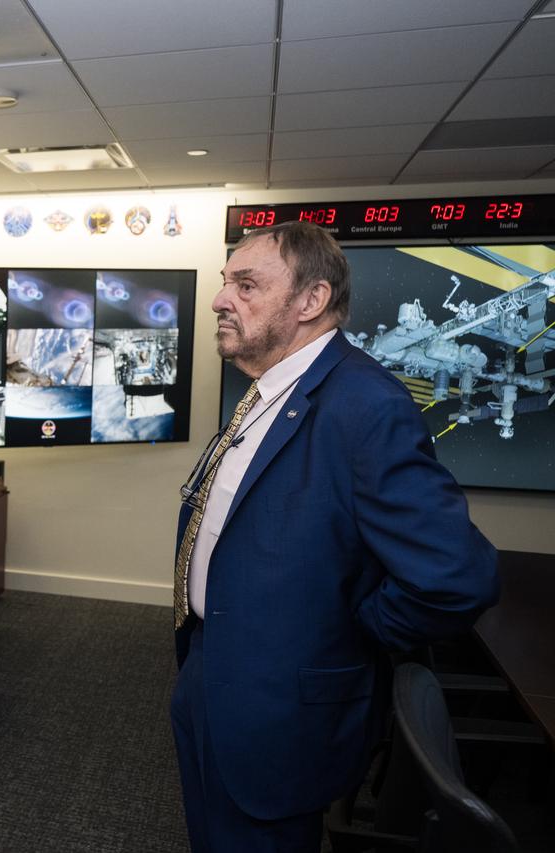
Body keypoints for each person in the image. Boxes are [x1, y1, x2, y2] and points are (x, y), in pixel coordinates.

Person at [170, 220, 499, 852]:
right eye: (224, 283)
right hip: (213, 671)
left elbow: (457, 577)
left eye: (246, 284)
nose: (219, 300)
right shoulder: (269, 392)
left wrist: (355, 627)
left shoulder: (363, 403)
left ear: (311, 301)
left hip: (281, 704)